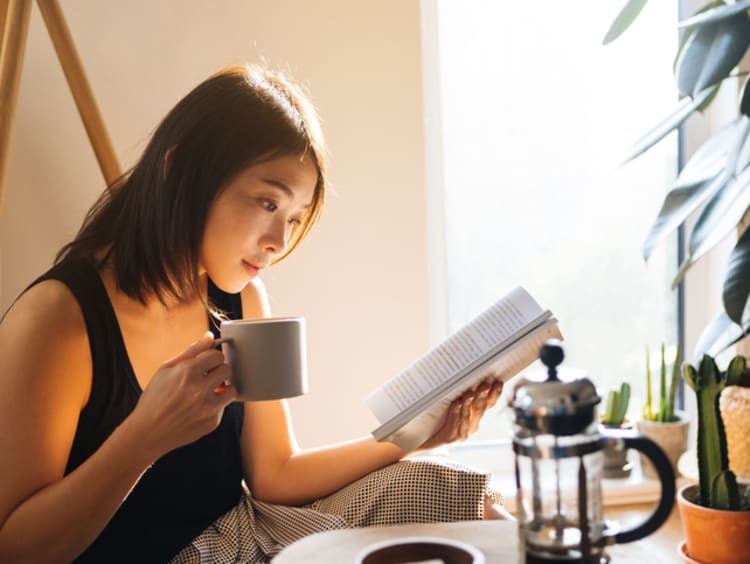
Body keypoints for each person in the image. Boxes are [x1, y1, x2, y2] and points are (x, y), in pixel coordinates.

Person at [0, 64, 506, 563]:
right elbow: (15, 548)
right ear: (179, 171)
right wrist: (141, 441)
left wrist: (418, 435)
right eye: (267, 203)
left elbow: (276, 474)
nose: (278, 243)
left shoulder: (241, 300)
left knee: (445, 489)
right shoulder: (58, 321)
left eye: (294, 219)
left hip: (243, 540)